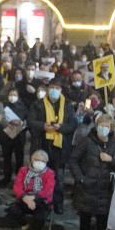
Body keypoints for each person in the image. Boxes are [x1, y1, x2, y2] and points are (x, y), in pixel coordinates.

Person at [68, 115, 115, 230]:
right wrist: (80, 178)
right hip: (87, 185)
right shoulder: (87, 141)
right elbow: (73, 160)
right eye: (101, 125)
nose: (103, 128)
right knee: (85, 216)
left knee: (102, 220)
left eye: (107, 126)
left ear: (111, 128)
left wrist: (111, 159)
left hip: (105, 188)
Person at [27, 79, 78, 213]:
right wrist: (43, 126)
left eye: (57, 88)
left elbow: (73, 124)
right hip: (42, 143)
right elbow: (31, 121)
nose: (54, 90)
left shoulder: (67, 105)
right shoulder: (38, 104)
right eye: (52, 87)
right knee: (39, 176)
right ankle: (41, 203)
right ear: (48, 89)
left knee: (58, 178)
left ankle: (57, 203)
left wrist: (60, 128)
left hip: (60, 146)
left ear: (61, 90)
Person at [9, 149, 56, 230]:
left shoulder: (50, 173)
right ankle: (26, 229)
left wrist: (33, 199)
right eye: (37, 159)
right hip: (25, 198)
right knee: (13, 211)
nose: (39, 162)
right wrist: (25, 197)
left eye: (42, 160)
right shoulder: (23, 170)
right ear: (31, 159)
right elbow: (17, 186)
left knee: (40, 217)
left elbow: (48, 191)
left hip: (41, 201)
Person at [0, 85, 29, 186]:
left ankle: (19, 180)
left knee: (19, 159)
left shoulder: (24, 107)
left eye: (14, 95)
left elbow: (27, 121)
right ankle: (6, 178)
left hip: (19, 137)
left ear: (18, 96)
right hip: (6, 135)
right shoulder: (3, 106)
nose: (12, 96)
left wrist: (20, 123)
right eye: (11, 95)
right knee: (6, 158)